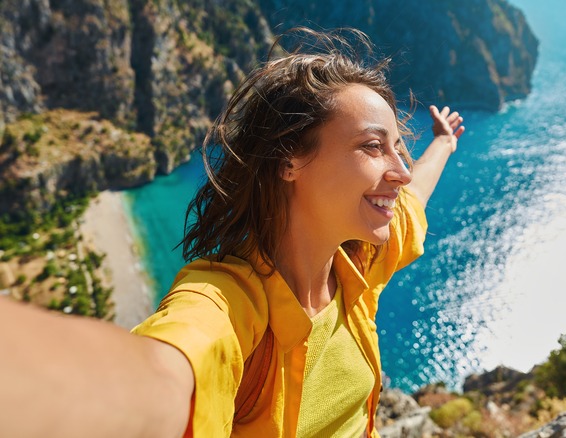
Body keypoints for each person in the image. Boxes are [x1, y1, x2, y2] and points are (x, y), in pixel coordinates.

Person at [0, 28, 464, 437]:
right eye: (372, 146)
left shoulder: (357, 264)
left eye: (399, 150)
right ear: (289, 160)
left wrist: (443, 141)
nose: (400, 172)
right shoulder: (226, 304)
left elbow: (412, 201)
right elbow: (161, 371)